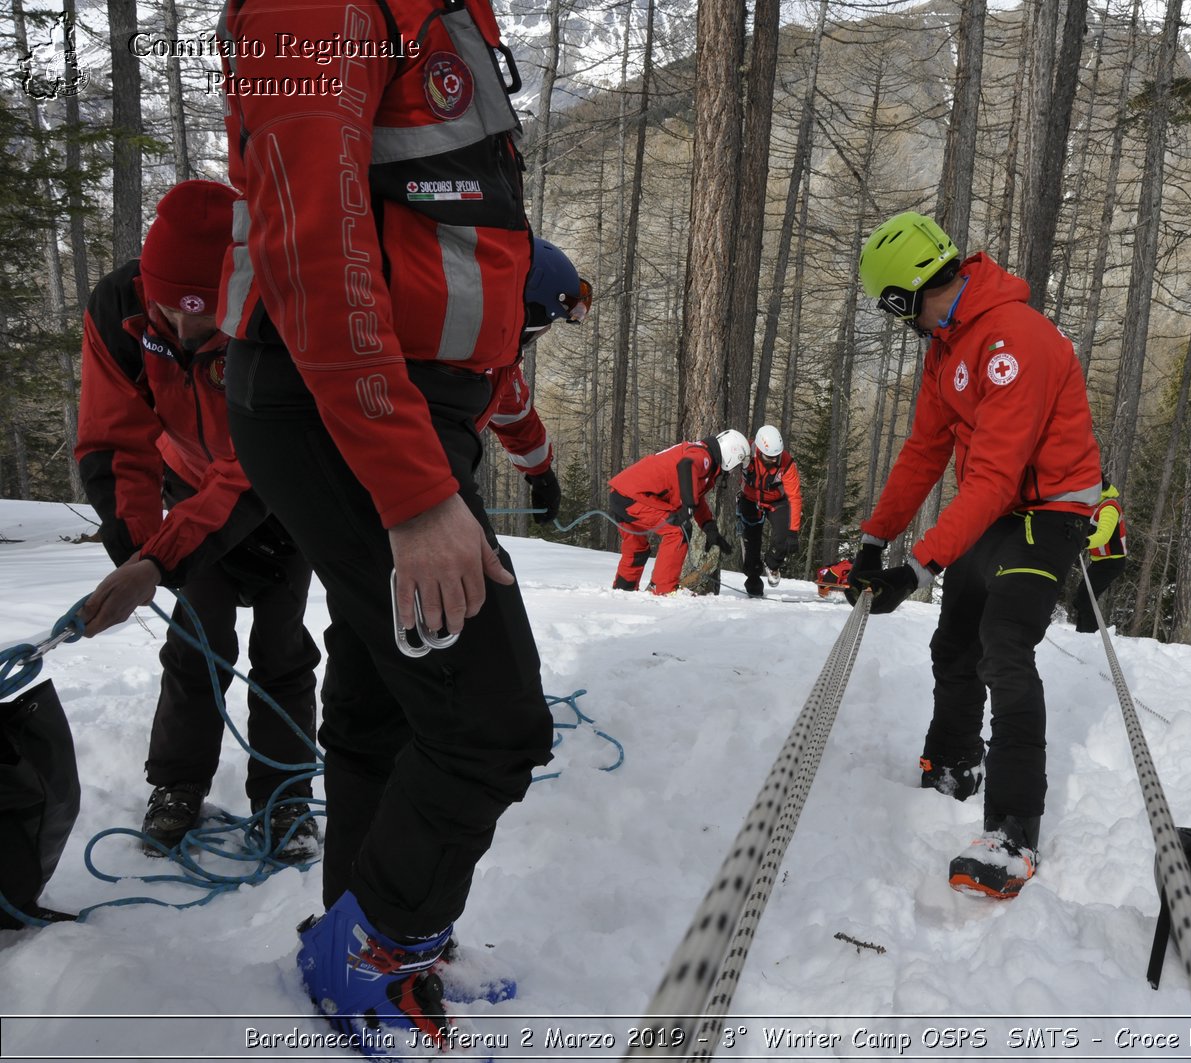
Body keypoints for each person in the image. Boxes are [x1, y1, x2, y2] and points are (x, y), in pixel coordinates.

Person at [217, 1, 559, 1048]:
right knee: (488, 719)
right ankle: (376, 951)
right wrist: (414, 495)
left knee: (397, 698)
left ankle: (367, 931)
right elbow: (314, 250)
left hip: (411, 402)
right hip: (354, 406)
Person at [848, 211, 1102, 900]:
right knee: (954, 638)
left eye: (891, 307)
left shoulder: (1013, 340)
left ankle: (1014, 830)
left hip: (1049, 512)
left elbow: (991, 475)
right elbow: (926, 449)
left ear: (903, 298)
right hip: (999, 508)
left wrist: (918, 565)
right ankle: (955, 760)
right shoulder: (949, 345)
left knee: (1003, 644)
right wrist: (876, 538)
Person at [73, 179, 320, 861]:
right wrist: (137, 548)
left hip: (281, 484)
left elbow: (253, 463)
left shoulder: (278, 316)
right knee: (198, 641)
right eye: (167, 312)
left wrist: (160, 559)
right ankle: (177, 783)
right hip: (186, 486)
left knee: (282, 643)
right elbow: (115, 437)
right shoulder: (118, 308)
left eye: (204, 316)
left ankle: (286, 793)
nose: (183, 331)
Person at [486, 237, 592, 526]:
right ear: (528, 312)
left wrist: (541, 474)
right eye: (549, 321)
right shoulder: (456, 350)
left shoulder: (498, 358)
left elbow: (515, 417)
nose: (544, 332)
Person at [607, 433, 747, 594]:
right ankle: (662, 589)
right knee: (678, 531)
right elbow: (686, 466)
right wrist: (687, 507)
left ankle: (622, 592)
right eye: (737, 464)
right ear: (731, 455)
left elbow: (696, 496)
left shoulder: (704, 456)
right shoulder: (703, 455)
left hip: (622, 495)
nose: (733, 471)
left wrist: (709, 527)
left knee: (637, 548)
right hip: (634, 497)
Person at [738, 425, 803, 597]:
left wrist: (793, 531)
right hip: (750, 500)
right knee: (751, 545)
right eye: (769, 457)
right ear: (758, 449)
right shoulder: (745, 451)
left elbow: (795, 497)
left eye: (776, 456)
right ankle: (753, 578)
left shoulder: (787, 463)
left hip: (777, 501)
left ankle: (772, 565)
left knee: (783, 538)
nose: (774, 460)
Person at [1070, 479, 1126, 633]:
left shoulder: (1109, 507)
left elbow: (1104, 536)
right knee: (1082, 597)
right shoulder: (1096, 505)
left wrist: (1084, 542)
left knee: (1086, 598)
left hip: (1111, 562)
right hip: (1100, 561)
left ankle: (1089, 635)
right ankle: (1082, 634)